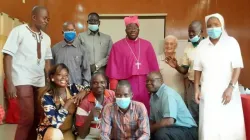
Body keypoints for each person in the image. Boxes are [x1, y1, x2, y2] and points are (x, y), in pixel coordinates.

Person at [2, 6, 52, 140]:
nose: (46, 21)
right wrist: (10, 83)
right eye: (44, 18)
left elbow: (47, 63)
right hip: (22, 79)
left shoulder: (47, 38)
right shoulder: (18, 31)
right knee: (27, 118)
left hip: (39, 81)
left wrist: (50, 83)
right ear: (34, 17)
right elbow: (7, 57)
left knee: (37, 118)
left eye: (48, 19)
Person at [193, 13, 246, 140]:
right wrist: (196, 88)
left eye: (216, 25)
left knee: (228, 126)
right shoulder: (202, 45)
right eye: (209, 26)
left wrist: (231, 87)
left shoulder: (231, 43)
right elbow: (197, 69)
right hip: (208, 92)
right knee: (209, 125)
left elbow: (237, 67)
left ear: (222, 26)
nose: (212, 28)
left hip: (228, 92)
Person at [106, 16, 159, 112]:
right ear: (125, 30)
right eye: (129, 27)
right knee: (127, 112)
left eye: (135, 27)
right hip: (126, 86)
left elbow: (154, 69)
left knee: (145, 111)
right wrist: (114, 91)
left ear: (139, 29)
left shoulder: (147, 45)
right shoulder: (117, 46)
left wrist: (155, 88)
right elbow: (113, 71)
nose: (133, 30)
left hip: (145, 86)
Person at [165, 21, 203, 124]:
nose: (191, 34)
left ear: (201, 32)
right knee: (193, 114)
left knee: (206, 114)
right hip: (192, 86)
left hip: (206, 86)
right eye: (189, 31)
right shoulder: (188, 48)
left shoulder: (207, 46)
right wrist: (176, 66)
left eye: (194, 32)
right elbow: (184, 70)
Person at [37, 63, 87, 140]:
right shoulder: (47, 96)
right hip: (51, 132)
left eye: (66, 75)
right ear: (52, 77)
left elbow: (90, 87)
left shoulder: (72, 88)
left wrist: (83, 92)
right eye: (60, 75)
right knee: (55, 134)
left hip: (67, 131)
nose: (64, 78)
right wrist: (67, 105)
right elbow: (55, 124)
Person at [147, 71, 197, 140]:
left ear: (161, 81)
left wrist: (151, 129)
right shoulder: (153, 97)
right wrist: (144, 129)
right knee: (147, 135)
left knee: (161, 134)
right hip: (172, 130)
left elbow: (169, 121)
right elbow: (152, 120)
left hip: (187, 130)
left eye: (152, 80)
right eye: (147, 81)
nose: (148, 83)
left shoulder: (167, 94)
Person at [75, 72, 115, 139]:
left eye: (102, 82)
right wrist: (90, 117)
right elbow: (82, 135)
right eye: (95, 83)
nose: (99, 85)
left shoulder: (112, 95)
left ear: (106, 84)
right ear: (90, 85)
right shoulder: (84, 104)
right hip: (90, 135)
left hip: (108, 134)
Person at [52, 21, 91, 86]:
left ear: (75, 32)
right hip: (59, 87)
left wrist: (85, 87)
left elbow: (86, 70)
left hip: (77, 88)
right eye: (68, 30)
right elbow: (51, 69)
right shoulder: (55, 49)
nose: (70, 32)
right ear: (63, 32)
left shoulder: (82, 49)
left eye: (72, 30)